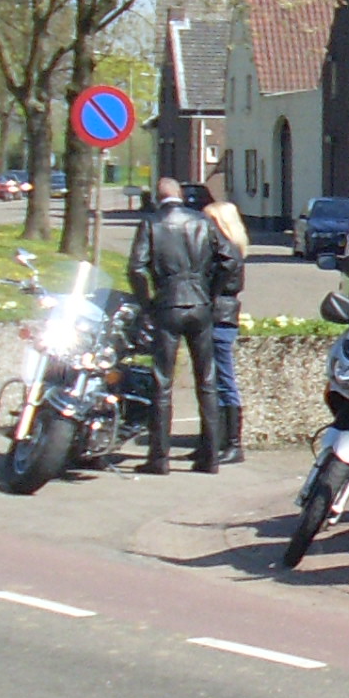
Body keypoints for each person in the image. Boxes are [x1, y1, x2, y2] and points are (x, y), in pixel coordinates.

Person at [128, 174, 240, 475]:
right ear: (180, 195)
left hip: (168, 302)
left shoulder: (151, 224)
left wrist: (147, 302)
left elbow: (136, 268)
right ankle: (210, 457)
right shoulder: (202, 221)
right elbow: (230, 260)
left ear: (158, 196)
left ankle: (159, 457)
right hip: (200, 304)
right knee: (207, 379)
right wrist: (211, 291)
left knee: (162, 381)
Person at [199, 180, 252, 463]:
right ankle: (217, 440)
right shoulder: (232, 249)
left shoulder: (227, 253)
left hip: (220, 317)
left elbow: (223, 283)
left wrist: (208, 293)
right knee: (216, 379)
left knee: (223, 379)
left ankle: (233, 443)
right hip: (222, 315)